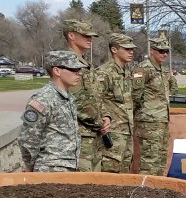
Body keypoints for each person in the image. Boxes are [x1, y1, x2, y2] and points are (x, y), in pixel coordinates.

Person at [18, 50, 87, 172]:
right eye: (74, 69)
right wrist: (29, 165)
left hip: (69, 167)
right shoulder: (42, 99)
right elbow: (27, 137)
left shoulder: (69, 98)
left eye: (79, 69)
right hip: (49, 169)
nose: (79, 73)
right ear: (57, 71)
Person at [62, 18, 110, 172]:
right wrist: (99, 122)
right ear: (71, 35)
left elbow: (97, 95)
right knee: (82, 185)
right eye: (85, 35)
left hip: (94, 133)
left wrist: (106, 116)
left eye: (91, 36)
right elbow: (78, 100)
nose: (90, 40)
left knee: (94, 184)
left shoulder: (84, 62)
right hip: (79, 134)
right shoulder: (67, 61)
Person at [95, 34, 140, 173]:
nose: (131, 52)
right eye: (126, 49)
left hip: (127, 132)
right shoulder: (104, 73)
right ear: (114, 50)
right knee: (110, 174)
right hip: (112, 133)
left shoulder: (126, 72)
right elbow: (95, 99)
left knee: (125, 173)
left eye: (132, 49)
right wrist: (104, 119)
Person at [133, 34, 173, 175]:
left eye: (166, 51)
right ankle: (145, 191)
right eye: (161, 51)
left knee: (161, 158)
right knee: (150, 160)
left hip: (161, 120)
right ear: (152, 51)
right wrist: (143, 114)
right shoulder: (143, 68)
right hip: (149, 121)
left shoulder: (160, 69)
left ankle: (157, 190)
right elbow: (135, 95)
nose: (164, 54)